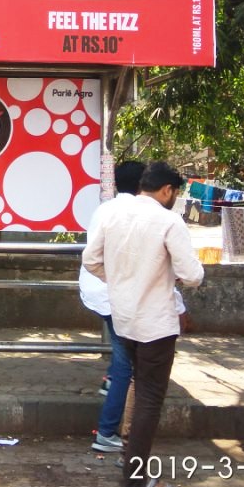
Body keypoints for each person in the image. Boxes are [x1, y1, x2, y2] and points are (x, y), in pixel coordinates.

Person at [82, 161, 204, 487]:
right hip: (156, 323)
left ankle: (129, 455)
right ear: (167, 190)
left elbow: (91, 260)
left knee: (138, 385)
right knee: (150, 397)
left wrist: (122, 282)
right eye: (174, 193)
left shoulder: (110, 214)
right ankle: (136, 477)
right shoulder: (168, 221)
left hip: (123, 317)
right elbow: (192, 275)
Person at [79, 160, 143, 455]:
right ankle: (106, 432)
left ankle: (109, 379)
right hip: (113, 294)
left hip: (96, 291)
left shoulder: (105, 208)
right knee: (126, 364)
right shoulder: (141, 213)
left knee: (121, 355)